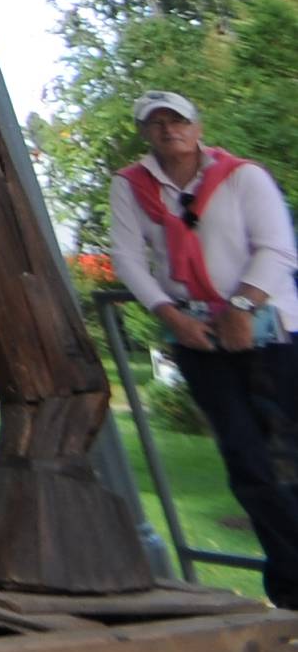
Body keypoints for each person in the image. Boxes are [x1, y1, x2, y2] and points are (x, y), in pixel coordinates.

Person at [108, 90, 298, 607]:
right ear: (145, 133)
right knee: (246, 462)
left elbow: (279, 248)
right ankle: (289, 590)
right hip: (197, 336)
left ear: (198, 125)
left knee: (288, 457)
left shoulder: (242, 176)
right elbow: (126, 258)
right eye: (157, 123)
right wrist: (169, 316)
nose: (169, 130)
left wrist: (241, 307)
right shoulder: (132, 187)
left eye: (178, 120)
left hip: (270, 332)